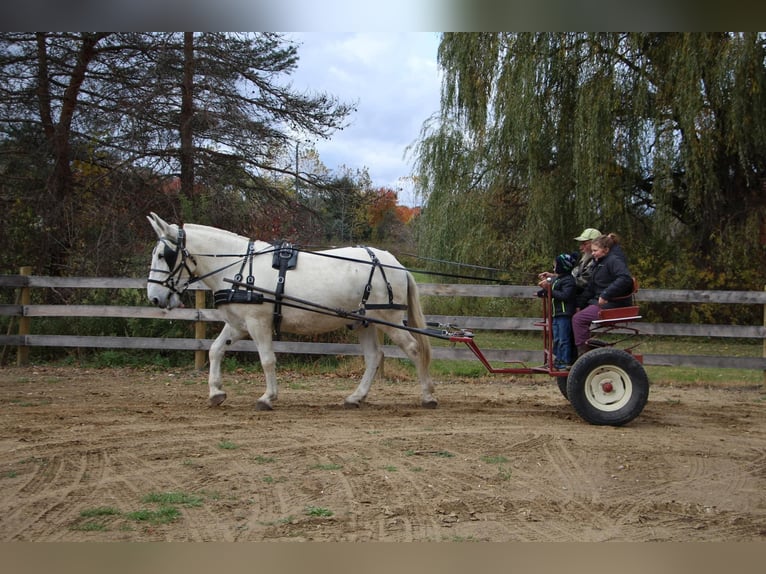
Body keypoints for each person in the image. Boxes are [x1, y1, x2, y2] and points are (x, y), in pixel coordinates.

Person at [571, 233, 634, 357]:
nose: (593, 253)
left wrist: (606, 294)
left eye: (596, 250)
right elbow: (591, 288)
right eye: (593, 250)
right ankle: (579, 351)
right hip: (601, 302)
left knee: (578, 319)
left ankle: (584, 356)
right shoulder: (599, 263)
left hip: (614, 304)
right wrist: (579, 304)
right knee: (574, 315)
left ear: (606, 250)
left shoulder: (613, 261)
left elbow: (626, 278)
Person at [537, 252, 579, 369]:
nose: (553, 268)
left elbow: (564, 295)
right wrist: (543, 292)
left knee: (564, 339)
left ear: (562, 266)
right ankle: (558, 359)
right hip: (556, 314)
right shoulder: (558, 279)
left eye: (555, 265)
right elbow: (552, 291)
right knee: (557, 338)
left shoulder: (568, 281)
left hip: (564, 314)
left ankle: (565, 361)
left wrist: (548, 289)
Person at [538, 227, 600, 295]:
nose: (580, 247)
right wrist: (554, 276)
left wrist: (553, 281)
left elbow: (582, 282)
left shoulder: (595, 262)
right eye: (581, 244)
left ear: (596, 244)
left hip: (587, 299)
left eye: (584, 244)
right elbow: (573, 276)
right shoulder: (585, 258)